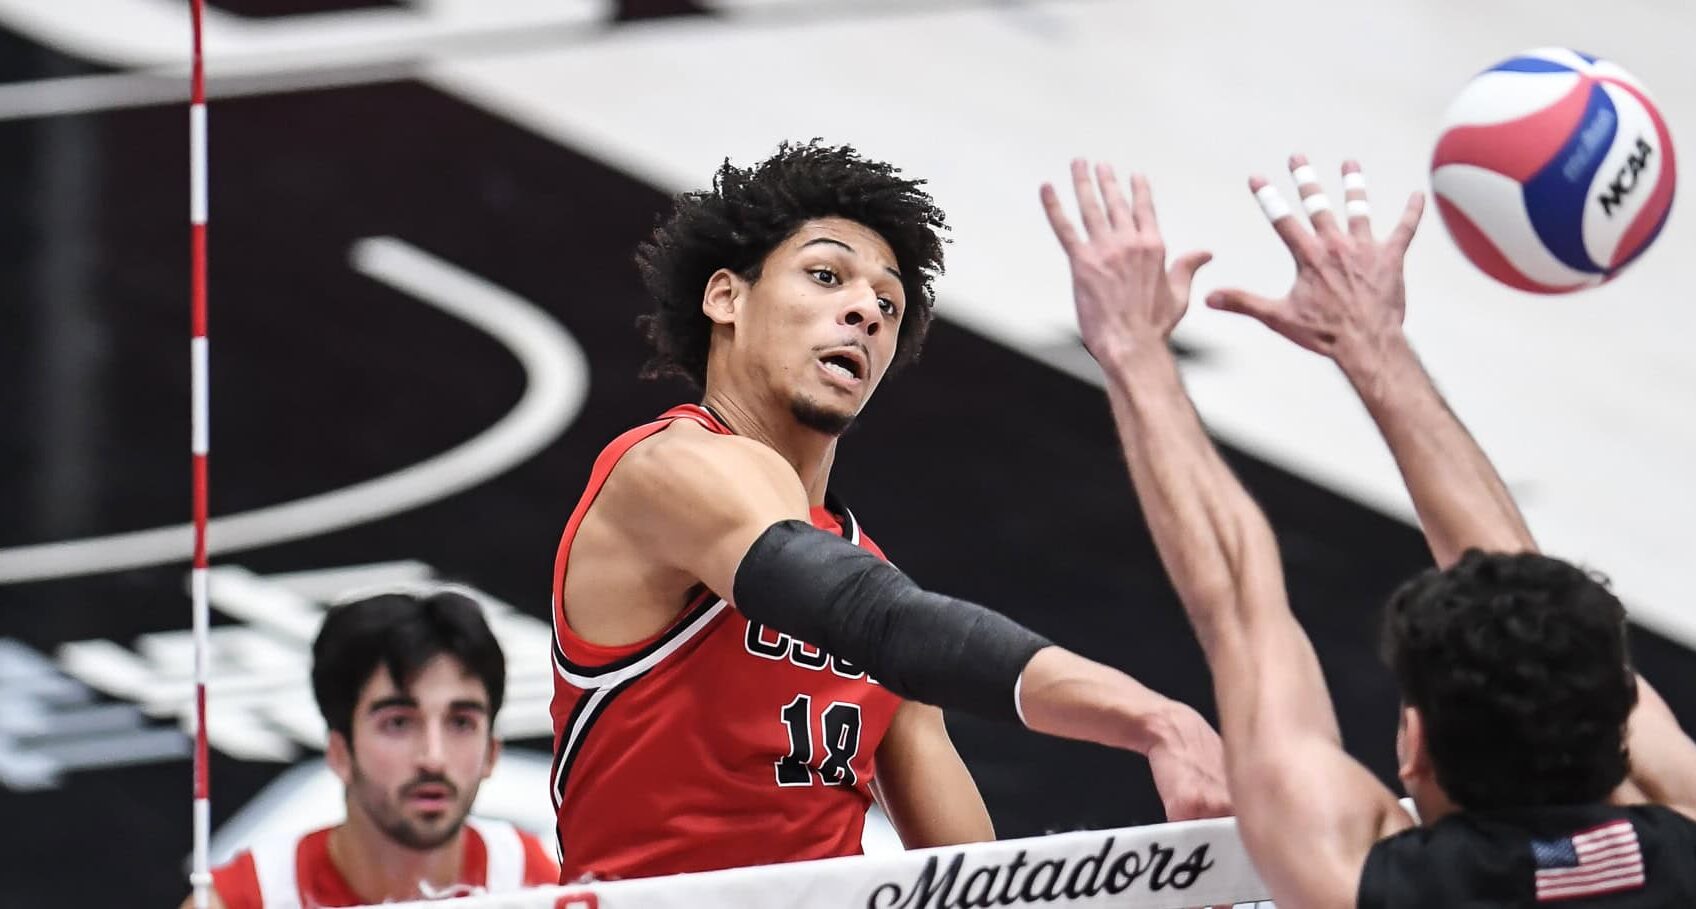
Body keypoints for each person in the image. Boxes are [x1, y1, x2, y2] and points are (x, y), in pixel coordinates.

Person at [1040, 155, 1696, 906]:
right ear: (1619, 730)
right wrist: (1370, 341)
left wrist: (1132, 347)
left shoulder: (1364, 885)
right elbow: (1529, 602)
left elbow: (1242, 600)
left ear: (1414, 748)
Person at [550, 140, 1229, 883]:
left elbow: (977, 881)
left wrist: (1182, 881)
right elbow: (878, 619)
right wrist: (1150, 718)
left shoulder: (875, 586)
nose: (864, 311)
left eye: (887, 304)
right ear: (726, 297)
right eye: (825, 275)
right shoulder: (666, 469)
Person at [184, 589, 558, 908]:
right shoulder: (251, 899)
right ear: (339, 751)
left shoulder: (533, 888)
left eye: (461, 723)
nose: (433, 757)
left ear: (492, 752)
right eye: (398, 723)